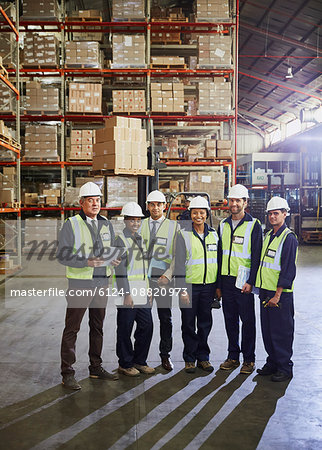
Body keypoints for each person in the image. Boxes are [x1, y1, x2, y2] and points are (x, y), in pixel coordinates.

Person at [57, 182, 119, 390]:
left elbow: (109, 251)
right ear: (81, 203)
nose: (95, 204)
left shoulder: (106, 224)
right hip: (80, 282)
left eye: (98, 200)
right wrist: (86, 261)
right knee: (72, 328)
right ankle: (68, 373)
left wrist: (113, 259)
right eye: (90, 200)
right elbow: (62, 255)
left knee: (98, 326)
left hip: (102, 281)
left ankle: (96, 367)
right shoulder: (71, 224)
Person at [217, 184, 262, 375]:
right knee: (230, 320)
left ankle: (249, 360)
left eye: (238, 200)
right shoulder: (223, 225)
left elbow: (257, 256)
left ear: (245, 202)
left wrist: (251, 282)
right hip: (227, 282)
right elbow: (219, 256)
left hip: (243, 283)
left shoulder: (254, 225)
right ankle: (233, 356)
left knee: (248, 321)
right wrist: (218, 285)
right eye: (232, 200)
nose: (234, 204)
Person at [256, 197, 298, 382]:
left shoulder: (288, 238)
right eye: (270, 214)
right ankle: (272, 362)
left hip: (279, 295)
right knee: (268, 330)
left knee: (281, 332)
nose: (272, 216)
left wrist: (278, 294)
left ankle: (284, 367)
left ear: (285, 214)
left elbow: (288, 269)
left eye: (276, 213)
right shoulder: (269, 236)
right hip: (266, 291)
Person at [175, 196, 219, 373]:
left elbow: (219, 261)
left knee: (205, 323)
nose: (198, 216)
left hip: (208, 286)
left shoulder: (214, 235)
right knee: (187, 324)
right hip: (189, 286)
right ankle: (189, 358)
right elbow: (178, 263)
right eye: (195, 213)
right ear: (190, 214)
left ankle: (203, 358)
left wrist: (218, 287)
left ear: (207, 214)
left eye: (201, 212)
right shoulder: (183, 235)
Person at [114, 202, 155, 377]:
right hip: (128, 293)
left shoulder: (140, 239)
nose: (136, 223)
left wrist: (149, 288)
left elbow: (145, 268)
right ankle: (125, 363)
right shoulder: (119, 240)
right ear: (125, 221)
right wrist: (126, 294)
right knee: (125, 328)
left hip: (142, 292)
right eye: (132, 220)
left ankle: (139, 360)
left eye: (138, 220)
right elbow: (120, 269)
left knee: (147, 325)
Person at [140, 190, 179, 371]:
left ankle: (165, 355)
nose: (156, 208)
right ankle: (140, 358)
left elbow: (177, 255)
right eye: (152, 204)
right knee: (143, 320)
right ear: (148, 206)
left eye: (159, 204)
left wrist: (168, 275)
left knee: (165, 318)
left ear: (165, 206)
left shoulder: (174, 227)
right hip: (145, 280)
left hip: (164, 279)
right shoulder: (140, 226)